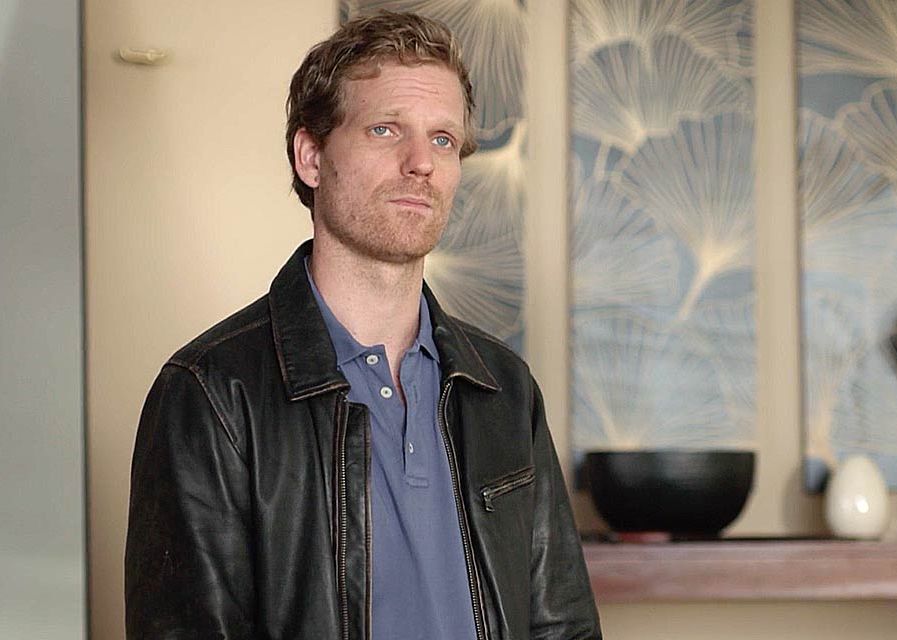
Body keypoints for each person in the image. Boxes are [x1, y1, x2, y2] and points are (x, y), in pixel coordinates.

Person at [124, 11, 601, 640]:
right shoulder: (211, 393)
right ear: (312, 157)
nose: (421, 162)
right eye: (385, 129)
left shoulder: (504, 389)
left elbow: (563, 626)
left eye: (442, 139)